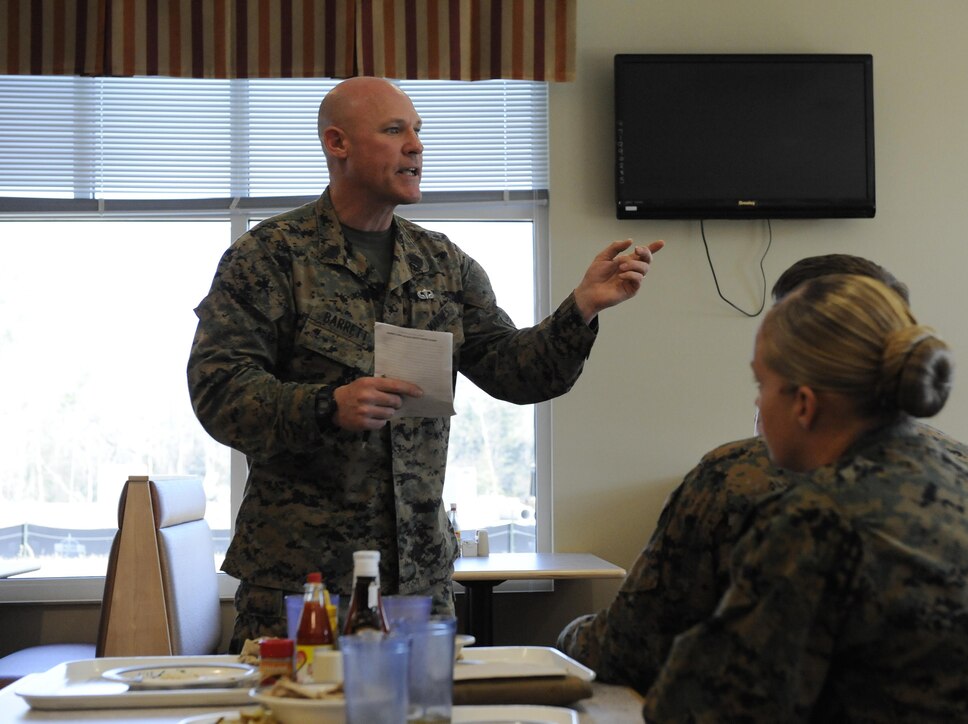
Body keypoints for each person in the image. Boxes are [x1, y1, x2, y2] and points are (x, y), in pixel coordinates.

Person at [186, 76, 665, 651]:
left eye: (417, 131)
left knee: (421, 702)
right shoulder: (269, 257)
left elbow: (516, 371)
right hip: (304, 579)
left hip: (418, 579)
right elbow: (219, 390)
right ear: (337, 143)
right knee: (297, 702)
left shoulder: (443, 263)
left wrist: (581, 308)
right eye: (394, 131)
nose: (416, 145)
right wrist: (326, 406)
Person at [556, 255, 968, 696]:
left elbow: (645, 660)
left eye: (765, 380)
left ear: (803, 393)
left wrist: (563, 641)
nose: (758, 402)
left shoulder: (781, 504)